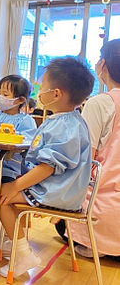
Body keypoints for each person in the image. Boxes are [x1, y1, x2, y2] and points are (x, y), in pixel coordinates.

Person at [0, 57, 94, 278]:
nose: (39, 92)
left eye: (42, 87)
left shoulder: (65, 125)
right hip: (61, 189)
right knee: (8, 196)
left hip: (59, 191)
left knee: (2, 198)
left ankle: (23, 254)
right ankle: (16, 242)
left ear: (56, 94)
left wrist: (16, 185)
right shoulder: (66, 119)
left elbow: (47, 167)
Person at [66, 39, 120, 260]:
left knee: (60, 223)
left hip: (103, 215)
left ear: (103, 65)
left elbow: (84, 159)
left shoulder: (100, 103)